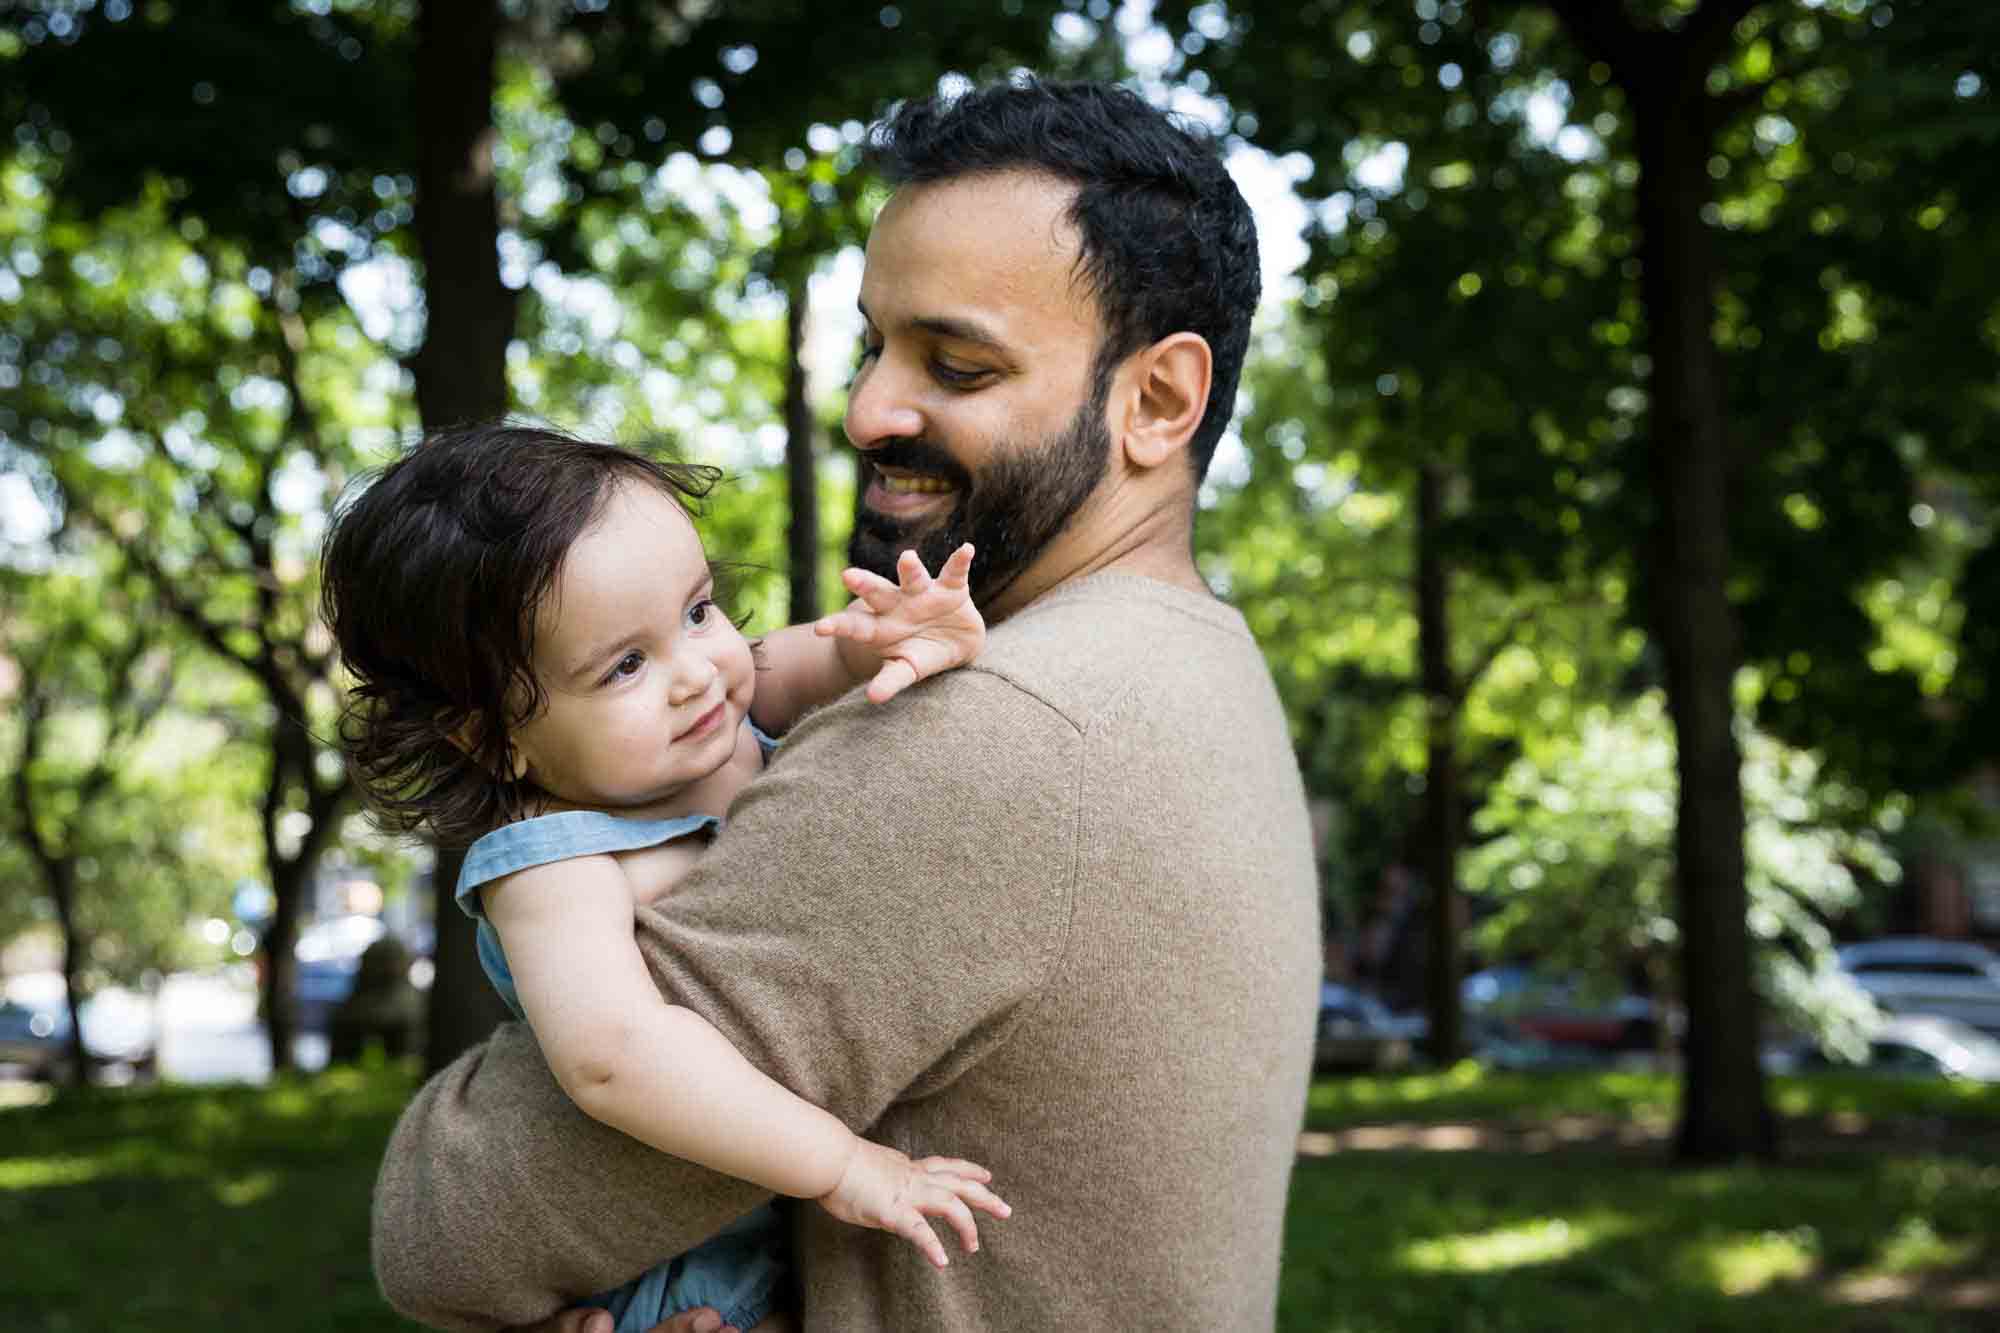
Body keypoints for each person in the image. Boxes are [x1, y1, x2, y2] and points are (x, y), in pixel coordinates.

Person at [372, 77, 1321, 1332]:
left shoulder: (993, 730)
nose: (871, 407)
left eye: (957, 363)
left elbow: (452, 1234)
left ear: (1155, 401)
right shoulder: (1198, 668)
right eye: (873, 343)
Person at [322, 426, 1008, 1333]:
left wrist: (903, 635)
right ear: (492, 738)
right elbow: (615, 1057)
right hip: (674, 1286)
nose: (695, 672)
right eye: (625, 665)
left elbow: (836, 653)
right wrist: (843, 1164)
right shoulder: (552, 858)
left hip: (774, 1228)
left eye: (697, 609)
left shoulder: (722, 704)